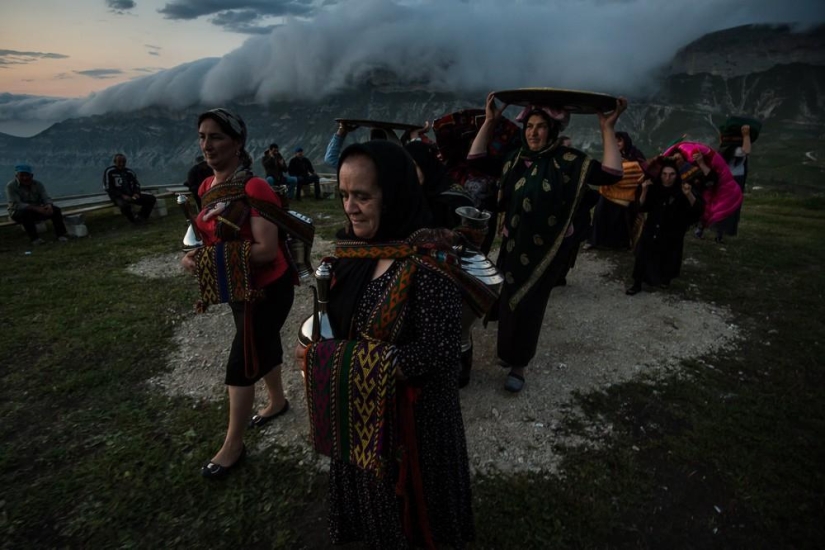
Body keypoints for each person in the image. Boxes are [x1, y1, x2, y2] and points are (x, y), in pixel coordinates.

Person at [299, 141, 478, 548]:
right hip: (361, 417)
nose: (350, 207)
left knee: (412, 523)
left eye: (363, 196)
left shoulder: (430, 264)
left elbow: (440, 351)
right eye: (344, 195)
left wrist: (336, 362)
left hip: (412, 432)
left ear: (394, 194)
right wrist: (320, 351)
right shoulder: (355, 250)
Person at [468, 92, 627, 393]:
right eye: (529, 126)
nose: (533, 132)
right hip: (513, 245)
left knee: (529, 304)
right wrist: (490, 122)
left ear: (553, 130)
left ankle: (519, 364)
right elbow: (476, 158)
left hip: (546, 250)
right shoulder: (516, 159)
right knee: (509, 300)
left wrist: (607, 128)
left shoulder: (567, 162)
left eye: (540, 126)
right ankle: (508, 353)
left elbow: (611, 174)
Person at [181, 108, 296, 480]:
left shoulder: (254, 188)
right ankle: (277, 401)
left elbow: (266, 249)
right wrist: (199, 254)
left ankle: (233, 445)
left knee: (241, 360)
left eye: (215, 137)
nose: (207, 145)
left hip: (267, 288)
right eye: (202, 136)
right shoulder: (206, 188)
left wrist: (206, 259)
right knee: (263, 345)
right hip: (237, 286)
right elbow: (212, 235)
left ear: (237, 142)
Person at [626, 158, 703, 295]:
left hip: (673, 231)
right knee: (643, 255)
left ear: (676, 175)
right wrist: (644, 190)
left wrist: (688, 194)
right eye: (664, 174)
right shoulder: (654, 189)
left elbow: (697, 210)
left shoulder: (682, 190)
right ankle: (637, 283)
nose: (667, 178)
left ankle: (664, 279)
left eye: (672, 174)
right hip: (652, 228)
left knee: (669, 256)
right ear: (660, 174)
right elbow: (641, 207)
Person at [588, 131, 647, 249]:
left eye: (619, 140)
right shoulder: (611, 154)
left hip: (626, 195)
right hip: (608, 192)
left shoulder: (635, 154)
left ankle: (619, 245)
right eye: (614, 141)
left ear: (626, 141)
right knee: (600, 216)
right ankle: (596, 242)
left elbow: (641, 172)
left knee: (620, 222)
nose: (617, 143)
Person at [405, 140, 474, 230]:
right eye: (406, 168)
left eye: (414, 167)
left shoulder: (453, 200)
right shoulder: (413, 193)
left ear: (425, 165)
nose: (409, 174)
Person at [6, 164, 68, 244]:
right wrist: (36, 208)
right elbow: (16, 204)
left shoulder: (38, 184)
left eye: (27, 175)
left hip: (36, 210)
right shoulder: (11, 186)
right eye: (22, 175)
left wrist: (48, 205)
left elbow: (45, 197)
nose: (25, 178)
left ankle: (61, 235)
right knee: (26, 214)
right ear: (16, 176)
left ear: (31, 175)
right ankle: (35, 239)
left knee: (56, 210)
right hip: (17, 212)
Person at [716, 124, 753, 240]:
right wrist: (746, 136)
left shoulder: (723, 149)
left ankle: (710, 230)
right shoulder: (735, 150)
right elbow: (746, 150)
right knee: (728, 207)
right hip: (735, 179)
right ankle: (719, 233)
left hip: (725, 179)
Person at [102, 154, 156, 222]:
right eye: (119, 162)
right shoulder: (109, 171)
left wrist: (136, 193)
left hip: (131, 195)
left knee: (151, 199)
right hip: (118, 196)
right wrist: (121, 195)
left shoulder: (129, 172)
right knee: (124, 206)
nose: (121, 164)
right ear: (115, 162)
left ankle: (142, 217)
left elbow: (136, 184)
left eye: (123, 162)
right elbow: (107, 187)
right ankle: (133, 220)